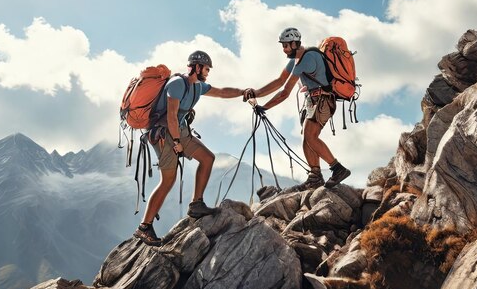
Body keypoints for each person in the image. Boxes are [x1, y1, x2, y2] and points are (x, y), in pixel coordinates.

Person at [133, 50, 246, 246]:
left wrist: (244, 92)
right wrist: (176, 142)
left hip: (180, 131)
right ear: (196, 67)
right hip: (164, 134)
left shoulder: (198, 86)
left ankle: (196, 205)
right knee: (168, 180)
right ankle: (144, 227)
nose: (208, 72)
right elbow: (171, 115)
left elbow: (221, 92)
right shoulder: (177, 84)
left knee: (207, 158)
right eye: (206, 68)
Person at [243, 27, 351, 191]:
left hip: (322, 100)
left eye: (286, 45)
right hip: (314, 100)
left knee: (310, 135)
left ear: (294, 43)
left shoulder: (306, 59)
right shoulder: (296, 59)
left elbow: (285, 92)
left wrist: (264, 106)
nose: (284, 49)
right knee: (307, 139)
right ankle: (315, 177)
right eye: (283, 45)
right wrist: (256, 93)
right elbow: (279, 80)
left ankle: (338, 169)